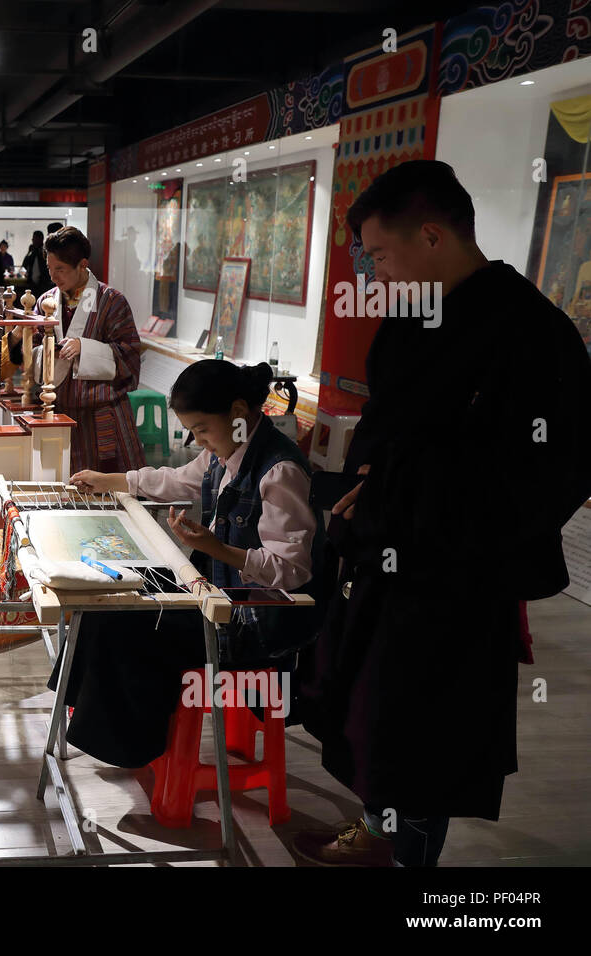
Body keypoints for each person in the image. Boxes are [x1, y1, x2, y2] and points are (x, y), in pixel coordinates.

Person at [293, 160, 591, 867]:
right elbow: (383, 425)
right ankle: (376, 829)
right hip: (380, 557)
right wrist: (366, 478)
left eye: (381, 255)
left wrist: (416, 497)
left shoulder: (531, 331)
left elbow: (553, 469)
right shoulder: (412, 320)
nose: (375, 272)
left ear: (431, 236)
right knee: (372, 719)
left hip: (456, 574)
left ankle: (410, 864)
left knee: (423, 737)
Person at [57, 361, 322, 767]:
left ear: (237, 412)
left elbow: (292, 571)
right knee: (112, 591)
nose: (199, 442)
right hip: (217, 591)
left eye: (201, 430)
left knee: (131, 622)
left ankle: (123, 744)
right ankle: (73, 707)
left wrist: (218, 549)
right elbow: (178, 479)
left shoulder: (279, 469)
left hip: (251, 624)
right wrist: (110, 480)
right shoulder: (229, 449)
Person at [28, 226, 144, 474]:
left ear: (82, 265)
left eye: (60, 269)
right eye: (50, 268)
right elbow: (34, 347)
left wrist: (84, 347)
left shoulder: (111, 300)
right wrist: (48, 353)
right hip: (59, 410)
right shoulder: (45, 301)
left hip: (102, 413)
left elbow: (130, 353)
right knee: (62, 490)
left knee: (110, 492)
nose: (54, 276)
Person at [23, 230, 51, 296]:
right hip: (32, 283)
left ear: (40, 239)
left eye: (34, 238)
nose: (32, 240)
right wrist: (29, 252)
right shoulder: (32, 251)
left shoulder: (46, 250)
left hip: (44, 282)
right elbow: (24, 264)